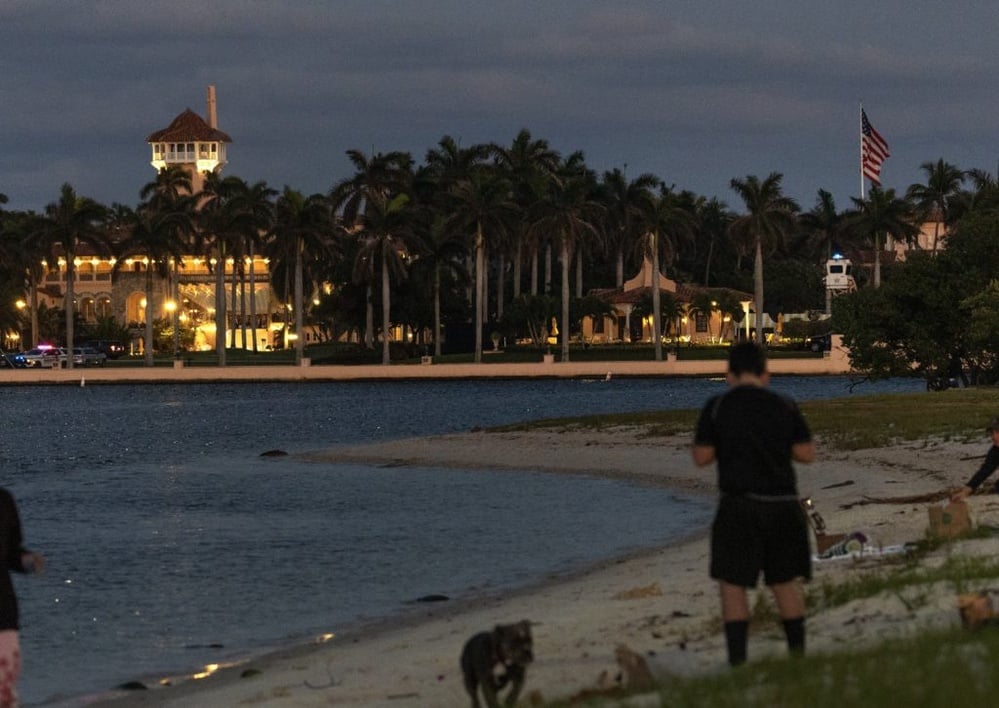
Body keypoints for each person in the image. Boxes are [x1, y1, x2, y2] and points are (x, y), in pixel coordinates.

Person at [691, 342, 816, 667]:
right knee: (784, 582)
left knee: (733, 584)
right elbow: (806, 454)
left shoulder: (717, 406)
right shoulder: (785, 404)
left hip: (738, 505)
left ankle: (738, 663)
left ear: (729, 374)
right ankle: (797, 656)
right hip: (783, 503)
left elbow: (702, 458)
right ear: (766, 373)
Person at [0, 487, 44, 707]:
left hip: (3, 613)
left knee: (5, 694)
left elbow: (10, 553)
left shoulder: (3, 501)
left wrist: (27, 562)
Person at [950, 418, 999, 501]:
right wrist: (966, 490)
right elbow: (985, 471)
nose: (993, 437)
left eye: (995, 433)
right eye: (991, 433)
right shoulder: (995, 451)